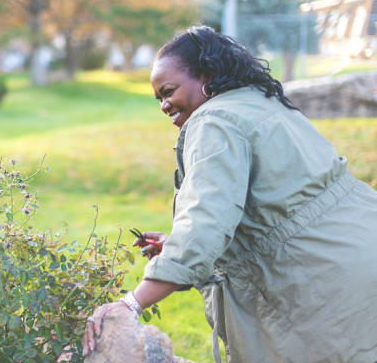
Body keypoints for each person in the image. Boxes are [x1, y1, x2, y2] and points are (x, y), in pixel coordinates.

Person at [82, 26, 377, 363]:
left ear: (205, 75)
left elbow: (203, 225)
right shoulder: (260, 102)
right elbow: (276, 207)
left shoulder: (214, 122)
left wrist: (128, 304)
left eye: (169, 91)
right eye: (158, 98)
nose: (164, 105)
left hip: (324, 283)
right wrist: (187, 253)